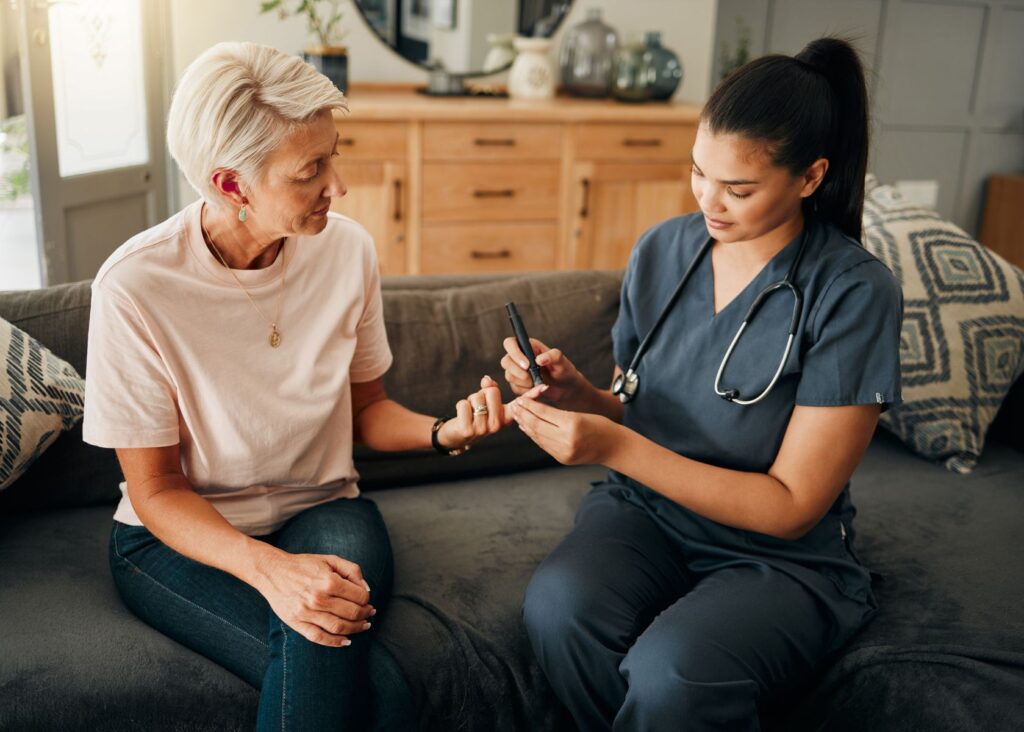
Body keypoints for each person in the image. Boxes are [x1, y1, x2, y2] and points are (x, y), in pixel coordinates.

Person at [83, 42, 530, 731]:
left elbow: (369, 412)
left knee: (322, 639)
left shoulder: (346, 250)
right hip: (176, 541)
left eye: (334, 154)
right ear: (232, 185)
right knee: (370, 686)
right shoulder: (136, 288)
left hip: (325, 508)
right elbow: (156, 490)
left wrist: (444, 433)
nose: (339, 186)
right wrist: (270, 571)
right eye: (310, 169)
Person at [502, 37, 903, 731]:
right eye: (698, 174)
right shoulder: (663, 248)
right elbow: (641, 406)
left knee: (673, 675)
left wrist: (609, 445)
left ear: (810, 178)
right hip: (646, 513)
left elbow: (791, 506)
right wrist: (582, 399)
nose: (709, 203)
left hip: (778, 556)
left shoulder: (854, 292)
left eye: (738, 189)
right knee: (558, 609)